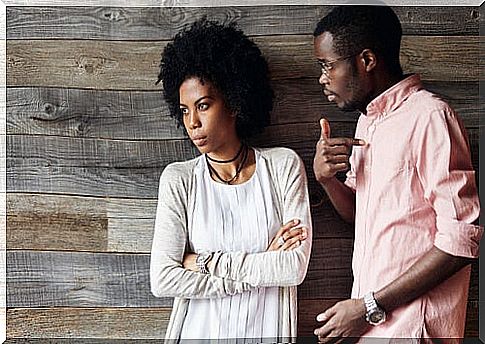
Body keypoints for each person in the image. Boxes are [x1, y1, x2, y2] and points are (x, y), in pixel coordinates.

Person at [311, 5, 482, 343]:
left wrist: (369, 306)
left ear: (367, 60)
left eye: (328, 65)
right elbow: (359, 215)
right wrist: (326, 178)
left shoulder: (430, 116)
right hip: (373, 326)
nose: (322, 78)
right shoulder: (368, 123)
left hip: (413, 330)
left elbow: (461, 241)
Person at [150, 19, 312, 342]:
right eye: (184, 110)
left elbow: (293, 268)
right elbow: (163, 279)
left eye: (203, 106)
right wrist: (260, 265)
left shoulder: (282, 167)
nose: (192, 123)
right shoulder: (179, 179)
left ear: (235, 102)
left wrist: (204, 262)